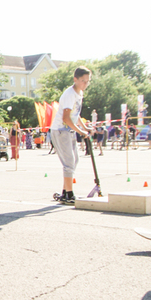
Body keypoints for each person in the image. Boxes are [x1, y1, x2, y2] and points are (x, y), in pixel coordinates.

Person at [50, 67, 93, 204]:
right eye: (82, 81)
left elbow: (76, 114)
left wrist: (85, 127)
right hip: (61, 129)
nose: (85, 84)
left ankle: (64, 192)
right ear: (75, 79)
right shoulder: (69, 94)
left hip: (69, 130)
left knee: (74, 161)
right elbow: (67, 118)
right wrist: (81, 132)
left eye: (87, 81)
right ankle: (69, 194)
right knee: (69, 162)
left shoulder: (79, 93)